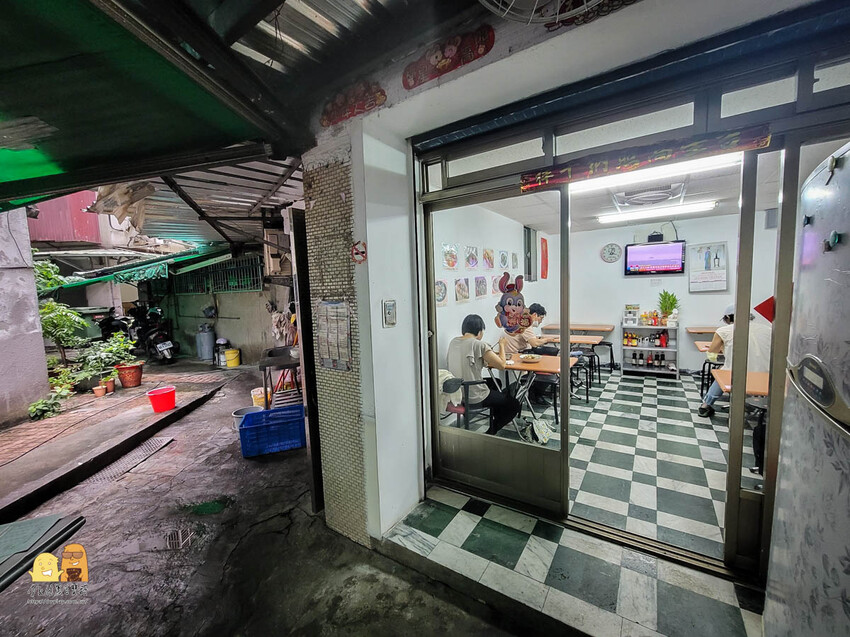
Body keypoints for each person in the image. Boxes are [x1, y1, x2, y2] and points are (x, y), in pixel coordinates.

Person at [447, 314, 520, 435]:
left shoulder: (453, 342)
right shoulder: (479, 345)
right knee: (513, 404)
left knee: (496, 382)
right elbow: (501, 365)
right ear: (480, 331)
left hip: (457, 392)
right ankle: (491, 431)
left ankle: (497, 415)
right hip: (473, 395)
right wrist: (502, 345)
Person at [698, 304, 772, 418]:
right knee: (729, 370)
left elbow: (712, 353)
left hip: (736, 375)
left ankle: (706, 405)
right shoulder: (768, 330)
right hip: (765, 374)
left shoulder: (723, 331)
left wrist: (723, 348)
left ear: (728, 318)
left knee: (723, 371)